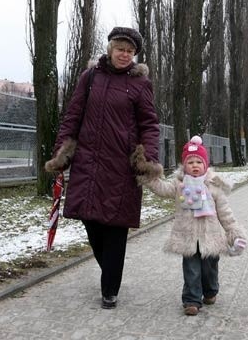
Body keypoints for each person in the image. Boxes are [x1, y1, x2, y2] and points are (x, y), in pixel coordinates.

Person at [45, 26, 163, 309]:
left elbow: (149, 124)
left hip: (122, 166)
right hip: (88, 162)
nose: (125, 55)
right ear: (110, 48)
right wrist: (62, 151)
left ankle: (110, 287)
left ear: (135, 55)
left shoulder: (140, 85)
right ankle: (109, 269)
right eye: (120, 49)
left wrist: (147, 158)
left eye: (130, 51)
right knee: (91, 221)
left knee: (116, 227)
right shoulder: (90, 78)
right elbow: (73, 115)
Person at [140, 135, 247, 316]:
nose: (195, 165)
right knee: (191, 270)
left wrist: (234, 233)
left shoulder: (214, 187)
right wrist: (149, 177)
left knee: (209, 269)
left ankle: (211, 291)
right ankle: (191, 300)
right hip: (188, 238)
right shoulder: (179, 186)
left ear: (205, 164)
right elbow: (162, 189)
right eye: (191, 162)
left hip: (211, 238)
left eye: (199, 161)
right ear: (184, 165)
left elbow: (226, 214)